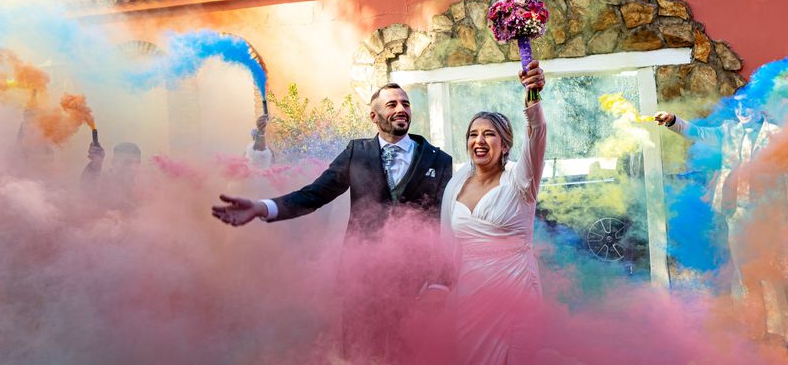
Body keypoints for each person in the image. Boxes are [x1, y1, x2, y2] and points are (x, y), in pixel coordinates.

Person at [211, 83, 453, 359]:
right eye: (392, 104)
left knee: (414, 356)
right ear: (373, 117)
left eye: (405, 103)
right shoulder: (356, 153)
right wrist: (263, 207)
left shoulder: (440, 160)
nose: (401, 109)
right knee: (362, 354)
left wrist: (441, 279)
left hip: (416, 283)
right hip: (362, 279)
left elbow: (443, 222)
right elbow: (314, 194)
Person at [655, 96, 788, 358]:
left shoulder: (777, 134)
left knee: (781, 279)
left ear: (760, 108)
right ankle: (759, 335)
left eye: (747, 105)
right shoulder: (729, 130)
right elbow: (699, 132)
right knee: (748, 279)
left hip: (769, 216)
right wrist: (673, 121)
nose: (742, 111)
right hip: (736, 215)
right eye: (737, 107)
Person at [440, 60, 547, 365]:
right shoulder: (456, 183)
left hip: (515, 288)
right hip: (470, 294)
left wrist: (533, 95)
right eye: (473, 134)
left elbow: (538, 132)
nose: (479, 141)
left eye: (489, 134)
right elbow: (448, 246)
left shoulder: (521, 181)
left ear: (505, 144)